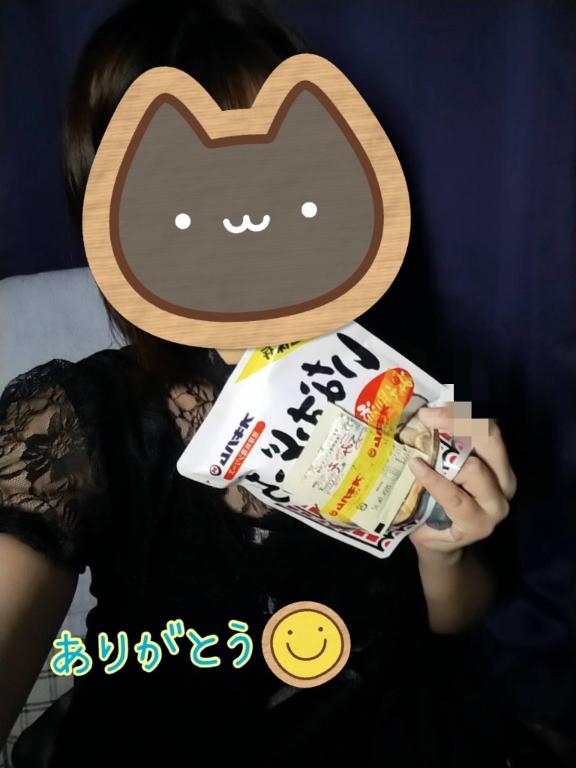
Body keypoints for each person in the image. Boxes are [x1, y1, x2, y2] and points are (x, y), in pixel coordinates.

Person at [0, 1, 517, 765]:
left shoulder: (401, 387)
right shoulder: (76, 419)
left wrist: (447, 552)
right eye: (190, 200)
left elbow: (453, 617)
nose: (245, 224)